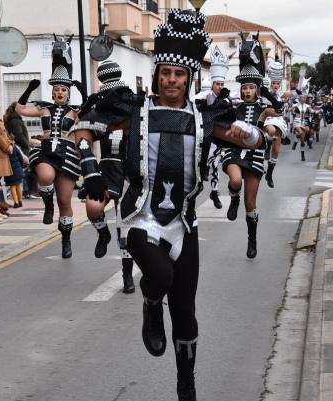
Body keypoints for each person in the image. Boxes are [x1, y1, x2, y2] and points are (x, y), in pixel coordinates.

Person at [71, 10, 262, 400]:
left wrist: (256, 134)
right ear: (157, 74)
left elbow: (247, 138)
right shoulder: (134, 109)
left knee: (187, 312)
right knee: (160, 276)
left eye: (179, 74)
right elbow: (82, 129)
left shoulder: (205, 116)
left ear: (189, 77)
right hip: (141, 216)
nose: (171, 80)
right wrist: (90, 171)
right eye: (165, 73)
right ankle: (149, 303)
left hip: (184, 222)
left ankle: (185, 382)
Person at [15, 36, 87, 258]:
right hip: (46, 151)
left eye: (63, 90)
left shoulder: (75, 111)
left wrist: (84, 93)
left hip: (66, 154)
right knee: (44, 177)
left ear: (68, 92)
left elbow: (90, 111)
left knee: (65, 201)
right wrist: (28, 89)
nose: (59, 93)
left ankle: (66, 240)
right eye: (56, 89)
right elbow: (19, 109)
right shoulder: (43, 108)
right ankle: (47, 205)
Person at [217, 34, 287, 259]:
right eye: (244, 87)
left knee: (251, 203)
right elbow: (217, 116)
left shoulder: (263, 108)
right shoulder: (234, 105)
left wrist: (266, 93)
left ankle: (252, 239)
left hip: (255, 156)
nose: (246, 91)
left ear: (256, 89)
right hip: (234, 152)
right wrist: (222, 100)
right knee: (235, 180)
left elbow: (280, 111)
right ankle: (232, 197)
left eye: (251, 87)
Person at [76, 59, 136, 293]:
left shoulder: (134, 111)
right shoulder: (97, 115)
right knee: (92, 207)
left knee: (126, 222)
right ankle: (102, 233)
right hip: (107, 168)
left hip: (131, 169)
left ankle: (127, 274)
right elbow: (80, 134)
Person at [193, 45, 229, 208]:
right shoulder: (202, 97)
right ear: (213, 84)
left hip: (217, 138)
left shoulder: (226, 100)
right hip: (201, 137)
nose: (220, 86)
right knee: (197, 168)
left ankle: (214, 192)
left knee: (215, 165)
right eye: (218, 84)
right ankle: (193, 191)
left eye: (222, 84)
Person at [261, 59, 288, 188]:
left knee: (276, 150)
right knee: (271, 131)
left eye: (278, 83)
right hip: (267, 119)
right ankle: (267, 144)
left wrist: (300, 82)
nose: (276, 85)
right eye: (274, 83)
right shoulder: (265, 93)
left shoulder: (282, 94)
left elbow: (296, 93)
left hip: (279, 121)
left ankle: (269, 174)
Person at [4, 136, 26, 208]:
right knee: (19, 185)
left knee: (12, 187)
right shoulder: (16, 148)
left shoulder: (5, 149)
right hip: (18, 169)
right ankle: (20, 201)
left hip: (9, 170)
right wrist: (21, 167)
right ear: (14, 141)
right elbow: (21, 158)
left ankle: (16, 203)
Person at [291, 94, 313, 161]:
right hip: (297, 122)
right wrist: (292, 111)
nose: (303, 99)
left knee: (303, 141)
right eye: (301, 98)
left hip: (304, 123)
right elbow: (292, 113)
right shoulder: (295, 105)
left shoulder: (308, 106)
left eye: (304, 98)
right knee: (300, 132)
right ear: (299, 99)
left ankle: (302, 155)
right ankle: (295, 142)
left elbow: (311, 113)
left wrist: (312, 111)